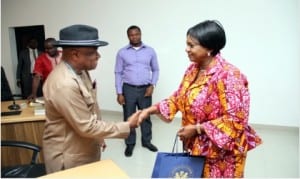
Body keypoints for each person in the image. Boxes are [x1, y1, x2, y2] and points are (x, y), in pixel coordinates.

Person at [137, 20, 262, 177]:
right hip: (197, 149)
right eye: (186, 44)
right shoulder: (193, 69)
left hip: (222, 156)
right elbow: (179, 97)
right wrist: (149, 110)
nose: (186, 49)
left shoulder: (228, 75)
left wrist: (196, 129)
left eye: (191, 45)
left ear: (209, 48)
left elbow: (236, 120)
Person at [42, 24, 140, 174]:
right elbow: (86, 126)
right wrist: (126, 125)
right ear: (75, 54)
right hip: (69, 158)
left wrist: (99, 136)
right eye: (93, 52)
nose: (98, 56)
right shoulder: (64, 84)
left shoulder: (80, 72)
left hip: (84, 148)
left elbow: (91, 107)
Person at [114, 25, 160, 157]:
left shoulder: (150, 51)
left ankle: (146, 141)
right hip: (128, 88)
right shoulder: (122, 52)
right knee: (129, 117)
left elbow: (156, 69)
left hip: (145, 89)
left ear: (141, 34)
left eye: (137, 34)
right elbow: (118, 72)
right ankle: (130, 144)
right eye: (131, 35)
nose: (134, 37)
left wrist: (152, 85)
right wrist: (119, 92)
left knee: (145, 116)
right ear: (128, 36)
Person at [27, 38, 62, 102]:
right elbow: (37, 77)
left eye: (50, 48)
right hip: (50, 91)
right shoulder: (41, 59)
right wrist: (33, 93)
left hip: (67, 89)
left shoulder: (65, 55)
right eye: (46, 48)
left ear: (56, 47)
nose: (47, 50)